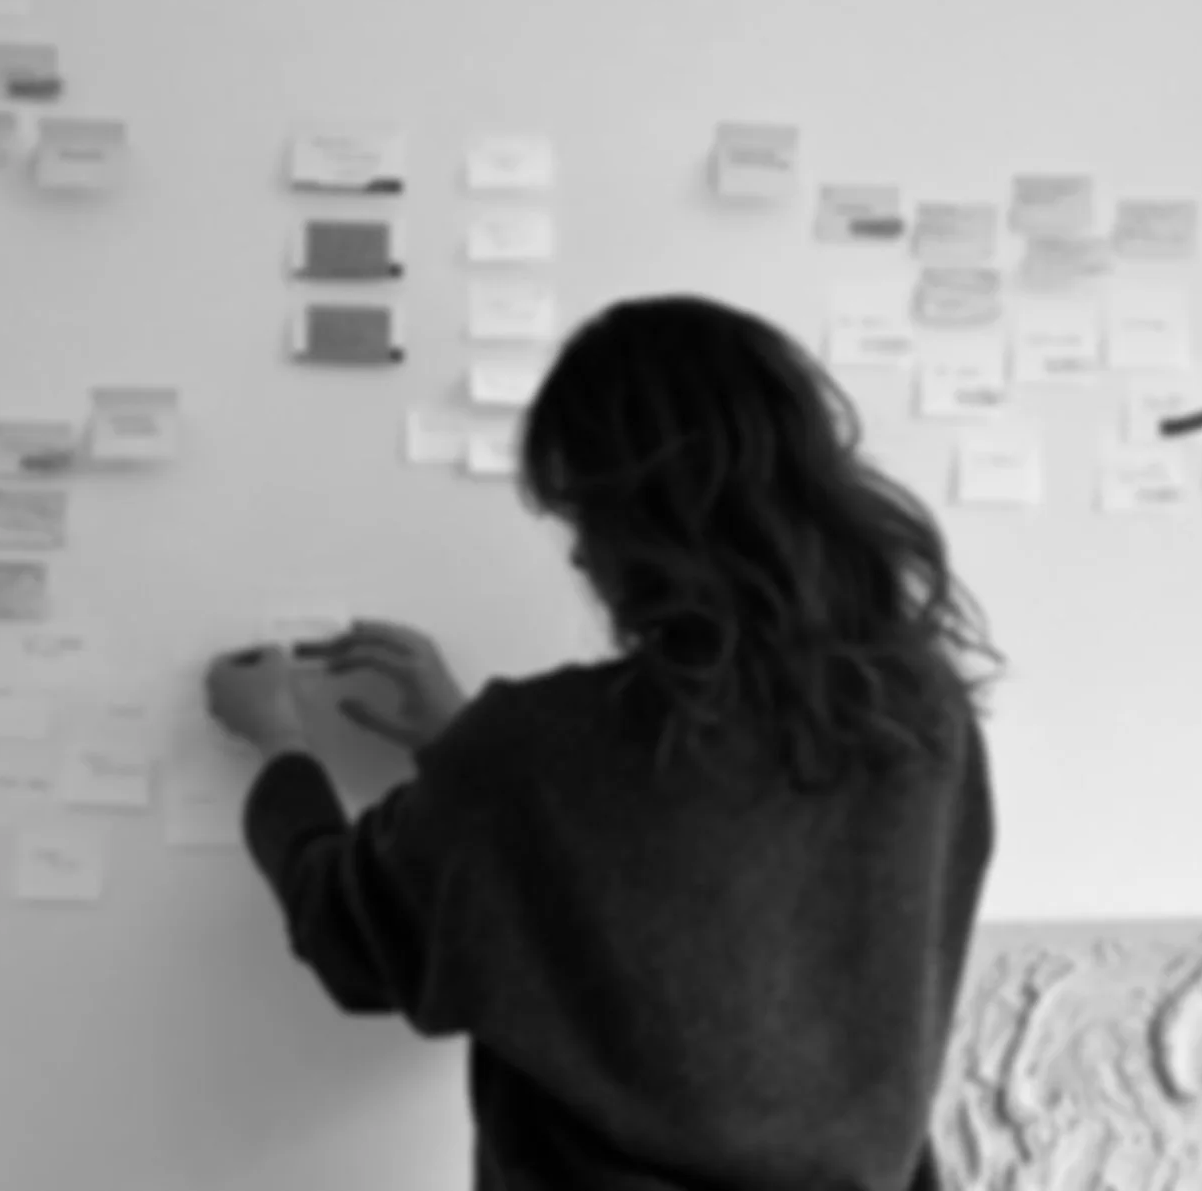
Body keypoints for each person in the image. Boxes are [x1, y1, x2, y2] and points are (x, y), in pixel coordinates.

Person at [204, 293, 999, 1191]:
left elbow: (353, 940)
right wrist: (463, 744)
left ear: (641, 523)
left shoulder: (539, 754)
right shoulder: (921, 715)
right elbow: (697, 880)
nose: (581, 559)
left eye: (582, 515)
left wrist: (280, 748)